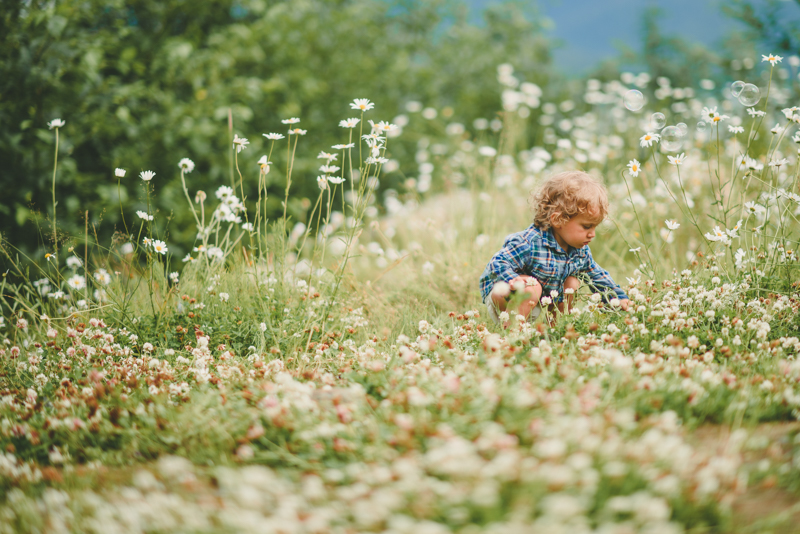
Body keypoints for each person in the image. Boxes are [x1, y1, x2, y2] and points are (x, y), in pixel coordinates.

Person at [479, 170, 630, 324]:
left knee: (572, 283)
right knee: (532, 287)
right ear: (558, 220)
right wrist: (512, 279)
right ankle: (513, 335)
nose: (592, 234)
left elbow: (597, 275)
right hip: (504, 295)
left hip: (536, 299)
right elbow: (497, 263)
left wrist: (617, 297)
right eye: (586, 227)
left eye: (595, 227)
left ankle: (555, 329)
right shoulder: (530, 242)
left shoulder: (580, 251)